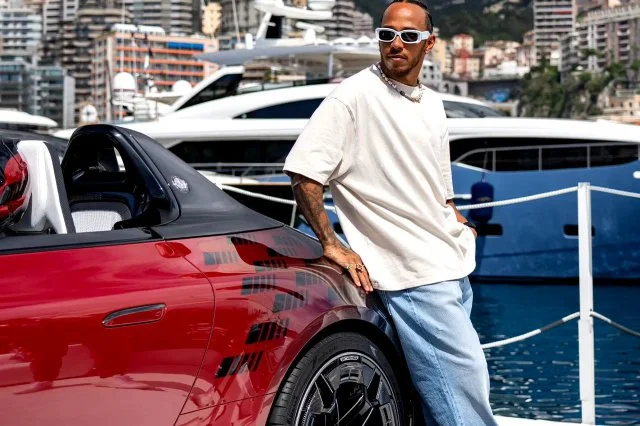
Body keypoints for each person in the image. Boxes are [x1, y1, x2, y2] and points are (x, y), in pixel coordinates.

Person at [283, 0, 498, 424]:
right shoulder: (353, 97)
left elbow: (438, 177)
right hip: (412, 273)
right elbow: (304, 172)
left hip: (451, 261)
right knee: (465, 397)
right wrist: (331, 245)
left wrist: (454, 214)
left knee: (442, 397)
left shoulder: (432, 103)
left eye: (408, 36)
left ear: (429, 43)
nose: (396, 43)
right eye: (387, 34)